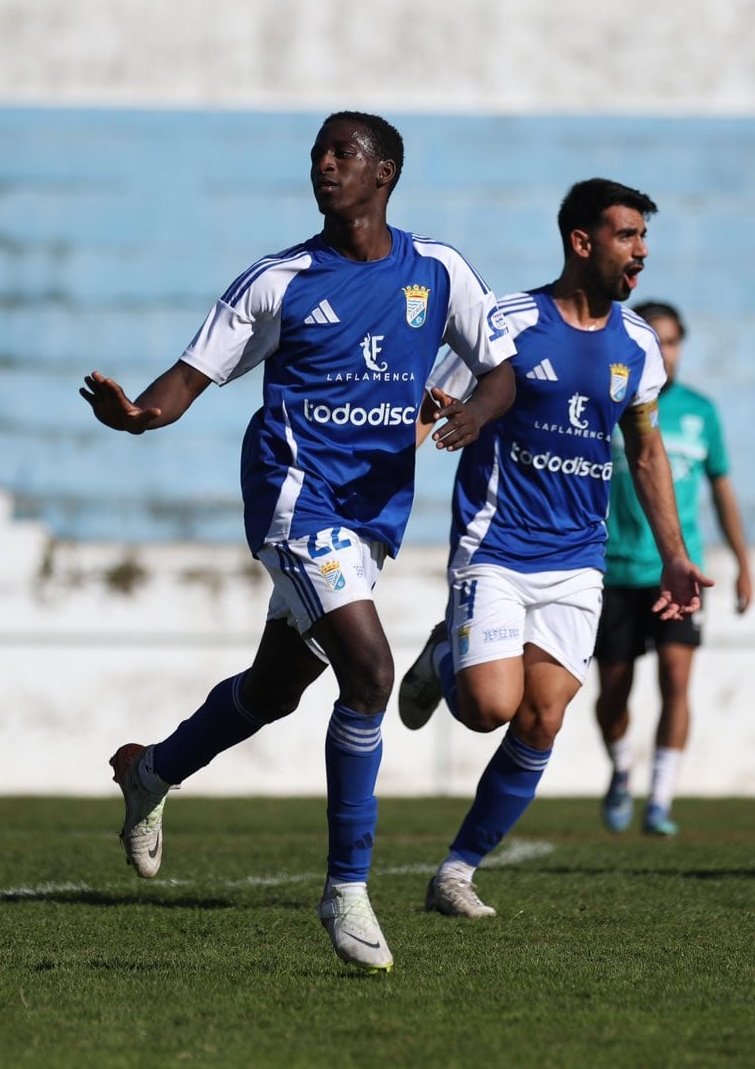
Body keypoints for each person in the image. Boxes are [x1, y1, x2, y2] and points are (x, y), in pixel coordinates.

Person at [79, 112, 517, 972]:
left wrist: (469, 410)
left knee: (277, 686)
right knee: (371, 673)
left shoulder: (439, 270)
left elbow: (502, 369)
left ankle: (152, 772)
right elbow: (192, 375)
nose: (324, 165)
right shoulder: (279, 281)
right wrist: (137, 417)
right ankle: (346, 890)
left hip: (371, 515)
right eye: (319, 152)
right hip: (293, 497)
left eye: (342, 153)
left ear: (384, 172)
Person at [395, 177, 712, 920]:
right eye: (627, 237)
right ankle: (446, 656)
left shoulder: (637, 345)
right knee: (488, 708)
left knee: (543, 718)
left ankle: (457, 870)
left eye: (644, 239)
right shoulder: (502, 322)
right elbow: (427, 410)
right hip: (496, 544)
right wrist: (378, 482)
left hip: (578, 562)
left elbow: (645, 451)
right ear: (582, 241)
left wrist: (674, 554)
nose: (640, 254)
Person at [591, 301, 753, 837]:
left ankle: (659, 799)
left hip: (679, 574)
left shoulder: (700, 412)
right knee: (613, 691)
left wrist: (744, 564)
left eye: (673, 341)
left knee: (676, 681)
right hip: (614, 570)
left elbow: (722, 488)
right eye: (654, 340)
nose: (665, 351)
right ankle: (620, 770)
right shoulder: (609, 400)